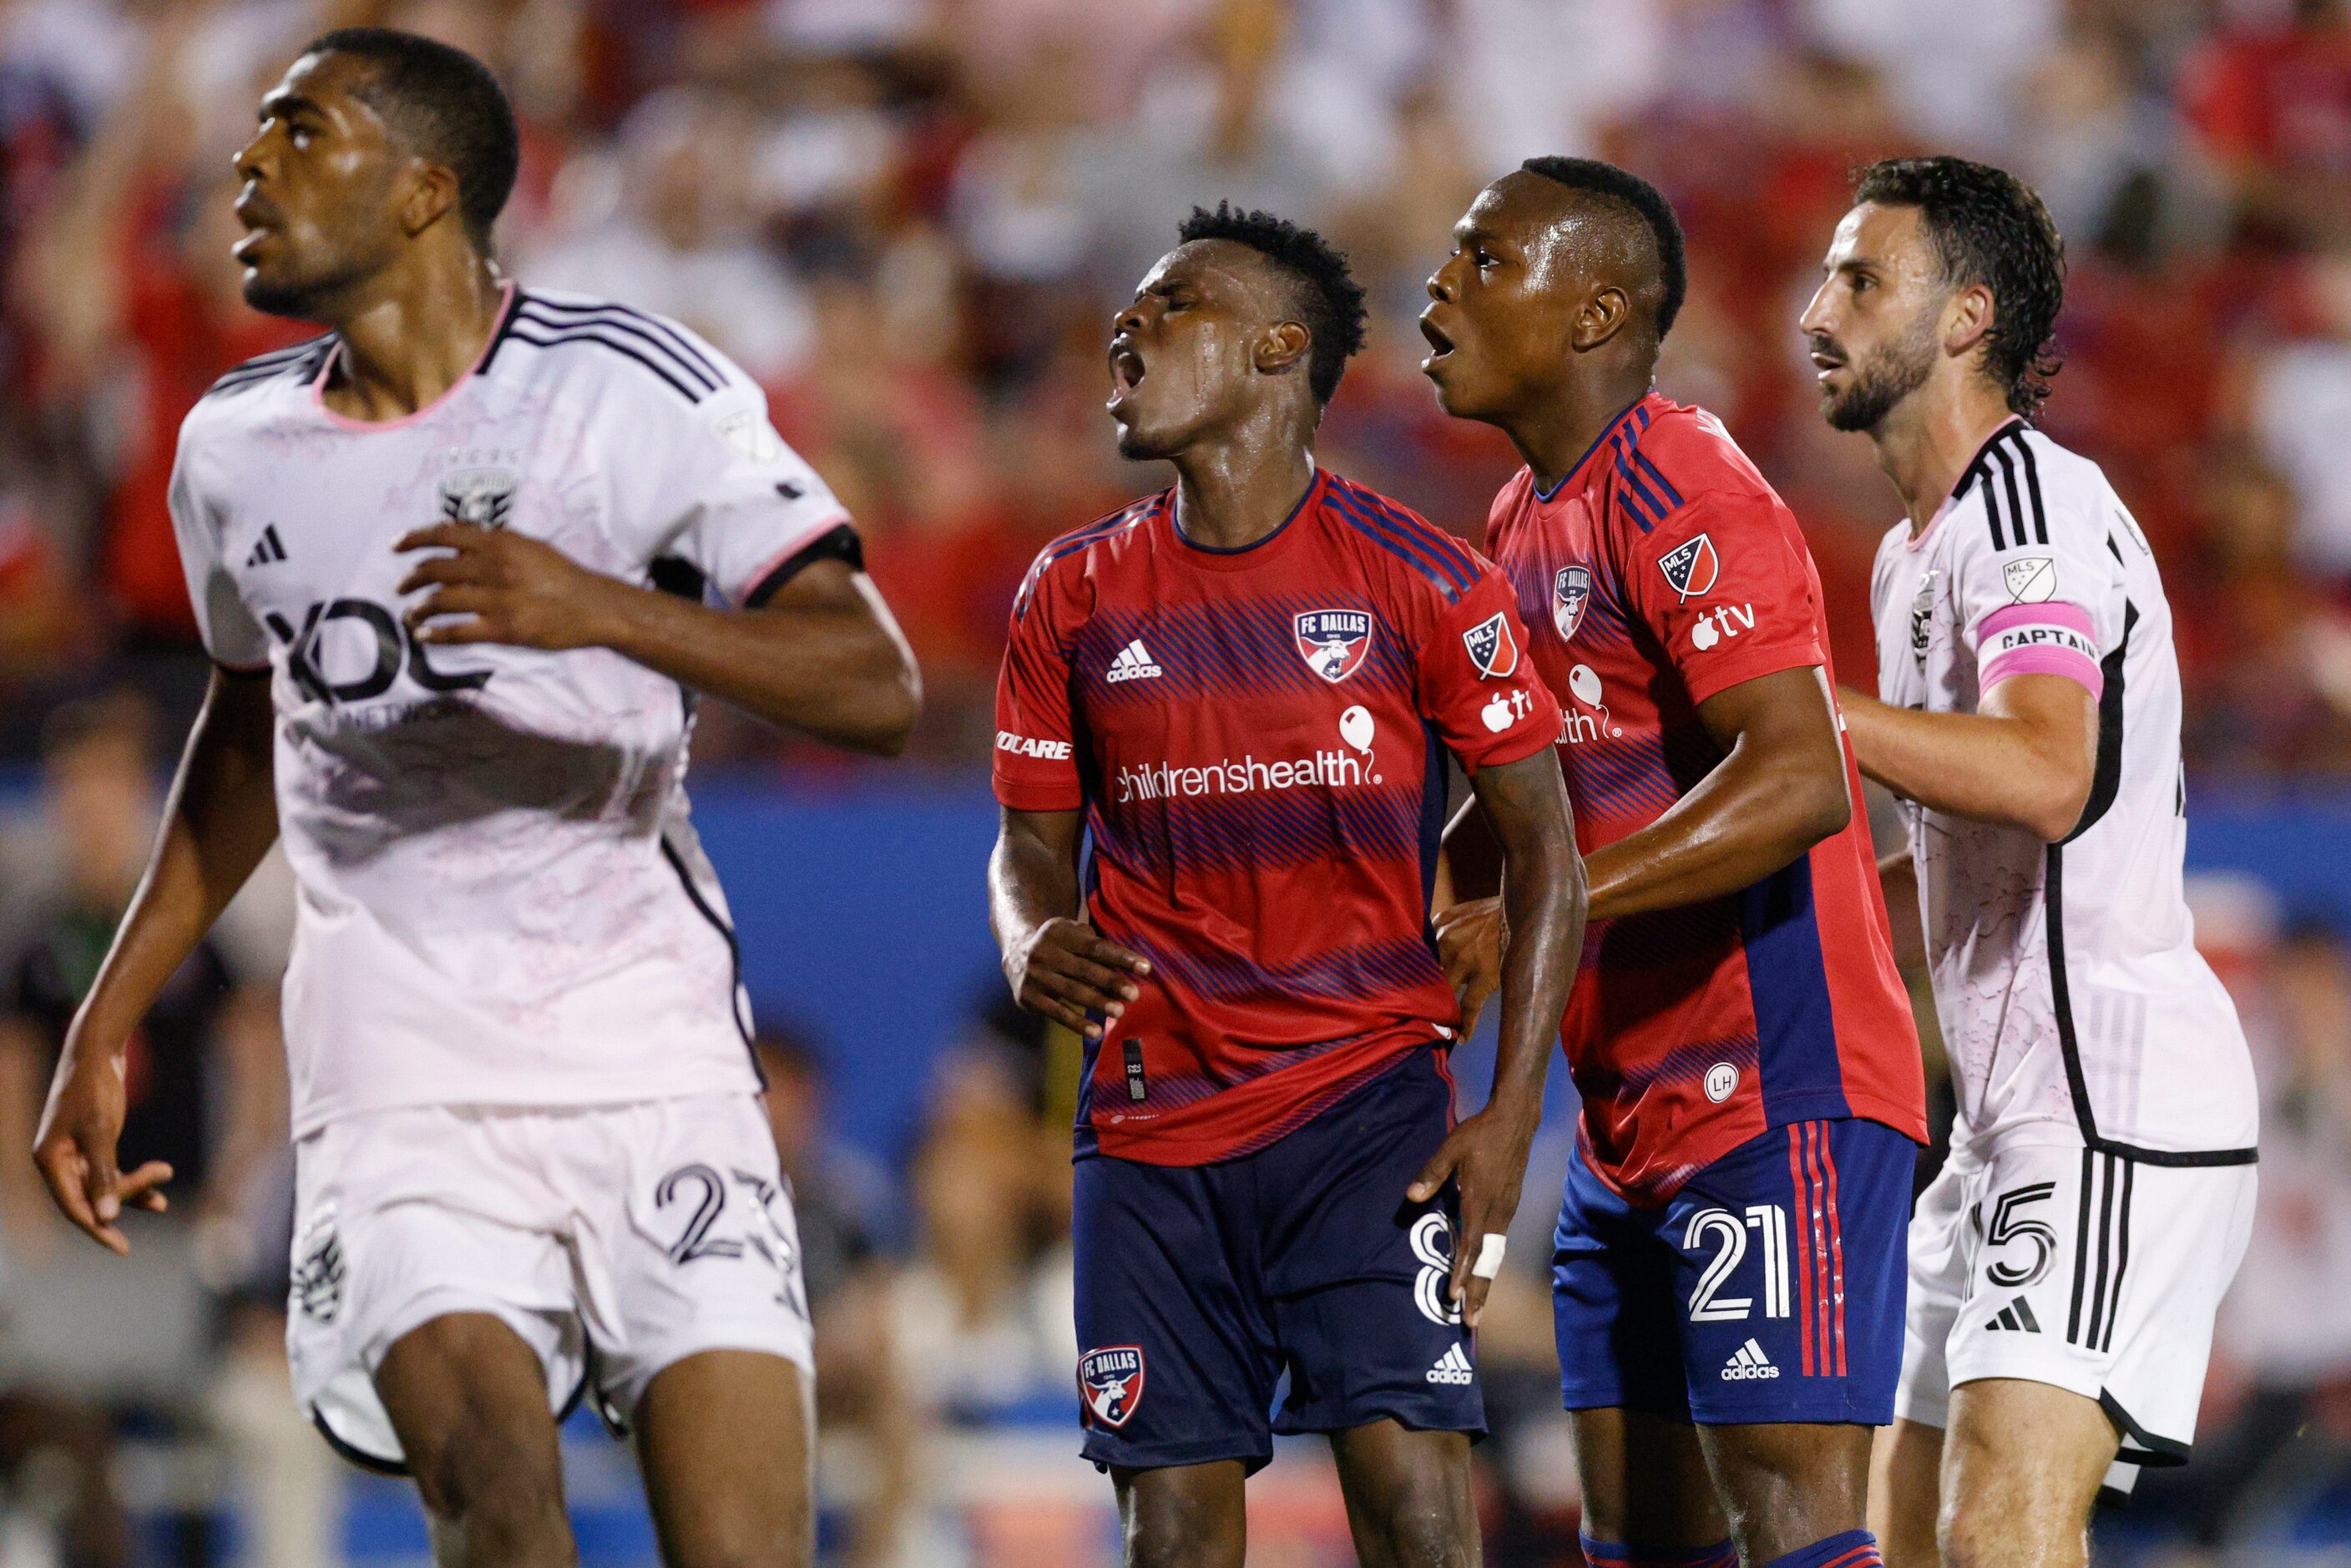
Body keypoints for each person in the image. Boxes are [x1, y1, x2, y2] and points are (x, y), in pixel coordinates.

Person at [29, 28, 920, 1568]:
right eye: (252, 141)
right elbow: (255, 724)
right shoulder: (234, 451)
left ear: (429, 189)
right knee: (499, 1501)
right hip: (401, 1089)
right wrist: (113, 1007)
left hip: (651, 1064)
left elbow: (875, 681)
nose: (249, 168)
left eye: (300, 136)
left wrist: (603, 607)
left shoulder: (629, 391)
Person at [987, 202, 1585, 1568]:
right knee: (1175, 1539)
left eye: (1170, 305)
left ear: (1276, 349)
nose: (1127, 329)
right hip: (1149, 1129)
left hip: (1363, 1115)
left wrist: (1508, 1112)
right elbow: (1027, 843)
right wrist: (1031, 931)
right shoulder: (1069, 594)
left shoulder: (1426, 580)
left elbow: (1549, 849)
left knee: (1421, 1515)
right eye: (1129, 311)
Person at [1423, 158, 1928, 1568]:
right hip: (1624, 1120)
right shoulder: (1521, 525)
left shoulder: (1678, 479)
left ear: (1594, 314)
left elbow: (1798, 776)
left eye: (1484, 258)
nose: (1438, 286)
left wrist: (1552, 901)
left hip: (1779, 1084)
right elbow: (1513, 821)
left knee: (1794, 1533)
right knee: (1637, 1545)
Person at [1801, 154, 2261, 1568]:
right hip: (1998, 1128)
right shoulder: (1907, 555)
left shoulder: (2029, 508)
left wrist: (1797, 707)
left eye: (1862, 278)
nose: (1819, 310)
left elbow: (2047, 772)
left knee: (2003, 1526)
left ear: (1964, 317)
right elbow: (1931, 849)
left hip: (2108, 1095)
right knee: (1914, 1541)